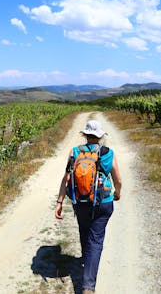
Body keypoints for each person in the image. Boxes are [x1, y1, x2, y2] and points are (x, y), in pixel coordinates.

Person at [55, 120, 122, 294]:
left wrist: (60, 202)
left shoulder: (75, 152)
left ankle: (86, 258)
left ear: (85, 135)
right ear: (100, 136)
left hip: (81, 202)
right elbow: (118, 180)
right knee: (96, 240)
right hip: (103, 202)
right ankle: (88, 287)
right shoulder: (108, 153)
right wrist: (117, 193)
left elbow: (66, 178)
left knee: (84, 230)